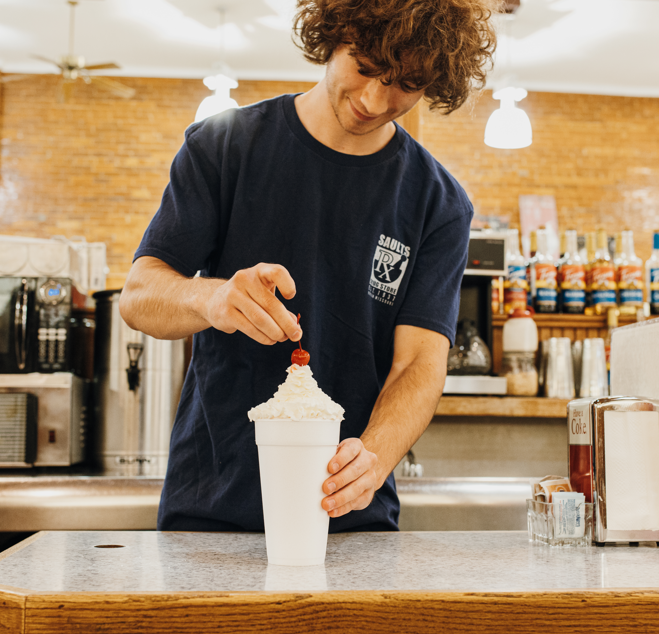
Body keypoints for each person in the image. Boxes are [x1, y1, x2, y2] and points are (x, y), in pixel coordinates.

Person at [120, 0, 498, 532]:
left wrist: (373, 458)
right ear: (335, 33)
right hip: (212, 503)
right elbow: (138, 298)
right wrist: (211, 297)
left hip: (347, 515)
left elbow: (419, 364)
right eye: (364, 67)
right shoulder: (223, 147)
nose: (374, 99)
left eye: (405, 85)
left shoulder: (437, 202)